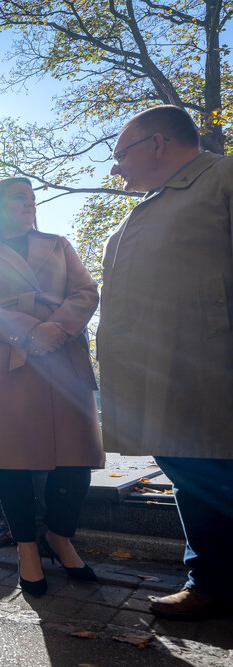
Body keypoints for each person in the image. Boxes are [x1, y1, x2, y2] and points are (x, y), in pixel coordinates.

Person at [100, 105, 233, 619]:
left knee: (217, 472)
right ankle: (211, 582)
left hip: (210, 367)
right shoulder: (150, 205)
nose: (115, 168)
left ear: (158, 142)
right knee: (189, 475)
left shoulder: (222, 177)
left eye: (120, 154)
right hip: (162, 376)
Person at [0, 177, 104, 598]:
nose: (30, 204)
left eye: (33, 199)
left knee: (75, 459)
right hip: (4, 356)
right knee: (12, 459)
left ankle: (58, 536)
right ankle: (26, 549)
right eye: (20, 197)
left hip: (61, 352)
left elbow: (86, 291)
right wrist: (28, 331)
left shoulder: (58, 244)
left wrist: (55, 329)